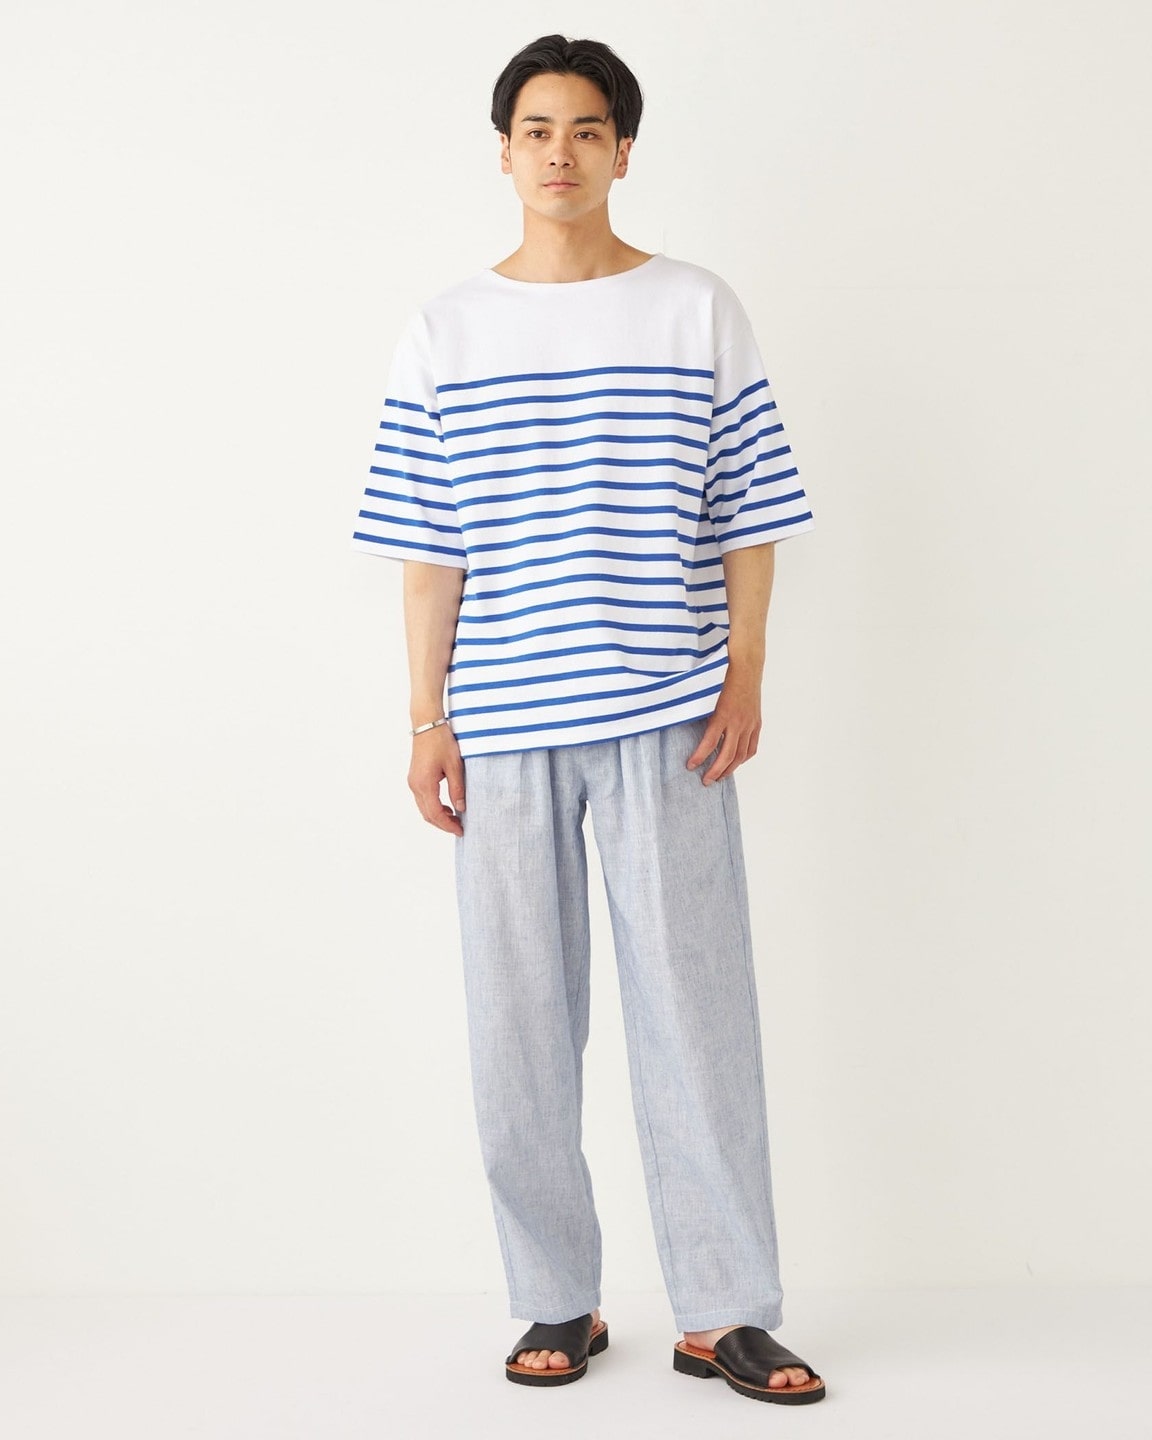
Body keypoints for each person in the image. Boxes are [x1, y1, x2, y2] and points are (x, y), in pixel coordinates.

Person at [350, 33, 825, 1406]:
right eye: (537, 129)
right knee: (517, 1027)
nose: (561, 153)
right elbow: (428, 547)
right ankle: (556, 1295)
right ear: (503, 151)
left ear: (624, 150)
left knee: (699, 1020)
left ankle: (726, 1312)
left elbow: (748, 508)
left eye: (588, 129)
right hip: (503, 727)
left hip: (671, 716)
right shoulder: (445, 332)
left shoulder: (693, 310)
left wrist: (746, 671)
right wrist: (425, 720)